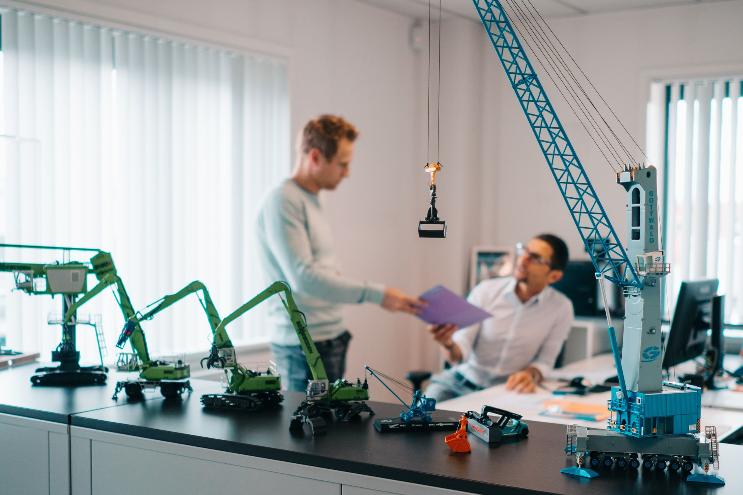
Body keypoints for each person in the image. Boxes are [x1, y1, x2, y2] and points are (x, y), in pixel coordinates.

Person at [255, 114, 424, 392]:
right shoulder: (283, 201)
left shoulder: (312, 199)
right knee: (309, 432)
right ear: (315, 157)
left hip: (330, 337)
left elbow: (321, 270)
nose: (347, 173)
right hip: (303, 347)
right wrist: (378, 294)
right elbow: (304, 278)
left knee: (332, 430)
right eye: (342, 164)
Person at [425, 234, 574, 401]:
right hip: (460, 383)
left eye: (535, 258)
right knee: (419, 418)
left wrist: (530, 373)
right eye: (524, 251)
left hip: (506, 392)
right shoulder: (485, 291)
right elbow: (460, 349)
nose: (522, 259)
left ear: (554, 276)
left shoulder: (561, 308)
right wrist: (448, 344)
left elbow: (545, 362)